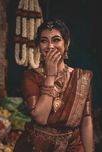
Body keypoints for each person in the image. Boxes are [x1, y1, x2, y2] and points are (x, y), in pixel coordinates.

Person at [14, 19, 94, 152]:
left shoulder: (81, 78)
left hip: (72, 146)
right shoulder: (31, 76)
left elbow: (86, 121)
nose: (50, 46)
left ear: (67, 44)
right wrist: (51, 76)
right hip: (37, 146)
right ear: (38, 46)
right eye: (44, 41)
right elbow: (41, 117)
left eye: (56, 40)